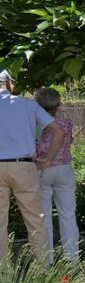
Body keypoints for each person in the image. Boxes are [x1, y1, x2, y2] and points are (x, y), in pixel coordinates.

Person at [0, 69, 64, 264]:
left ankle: (3, 273)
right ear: (9, 84)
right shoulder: (28, 105)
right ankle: (43, 269)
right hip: (24, 166)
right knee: (36, 219)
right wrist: (46, 159)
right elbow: (58, 132)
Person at [33, 88, 79, 263]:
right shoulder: (65, 123)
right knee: (68, 213)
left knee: (43, 215)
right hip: (64, 168)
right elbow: (69, 140)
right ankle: (72, 257)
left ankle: (47, 259)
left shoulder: (35, 124)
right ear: (58, 104)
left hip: (41, 168)